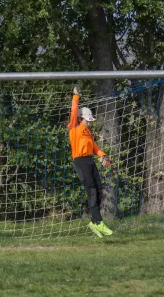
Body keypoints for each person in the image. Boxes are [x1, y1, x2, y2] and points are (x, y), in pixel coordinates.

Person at [68, 87, 113, 238]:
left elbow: (95, 148)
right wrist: (76, 97)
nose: (89, 123)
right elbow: (73, 112)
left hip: (90, 161)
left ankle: (94, 222)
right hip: (80, 162)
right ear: (81, 119)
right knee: (91, 190)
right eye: (87, 120)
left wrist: (103, 156)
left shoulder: (88, 132)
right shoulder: (74, 128)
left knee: (99, 189)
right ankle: (98, 222)